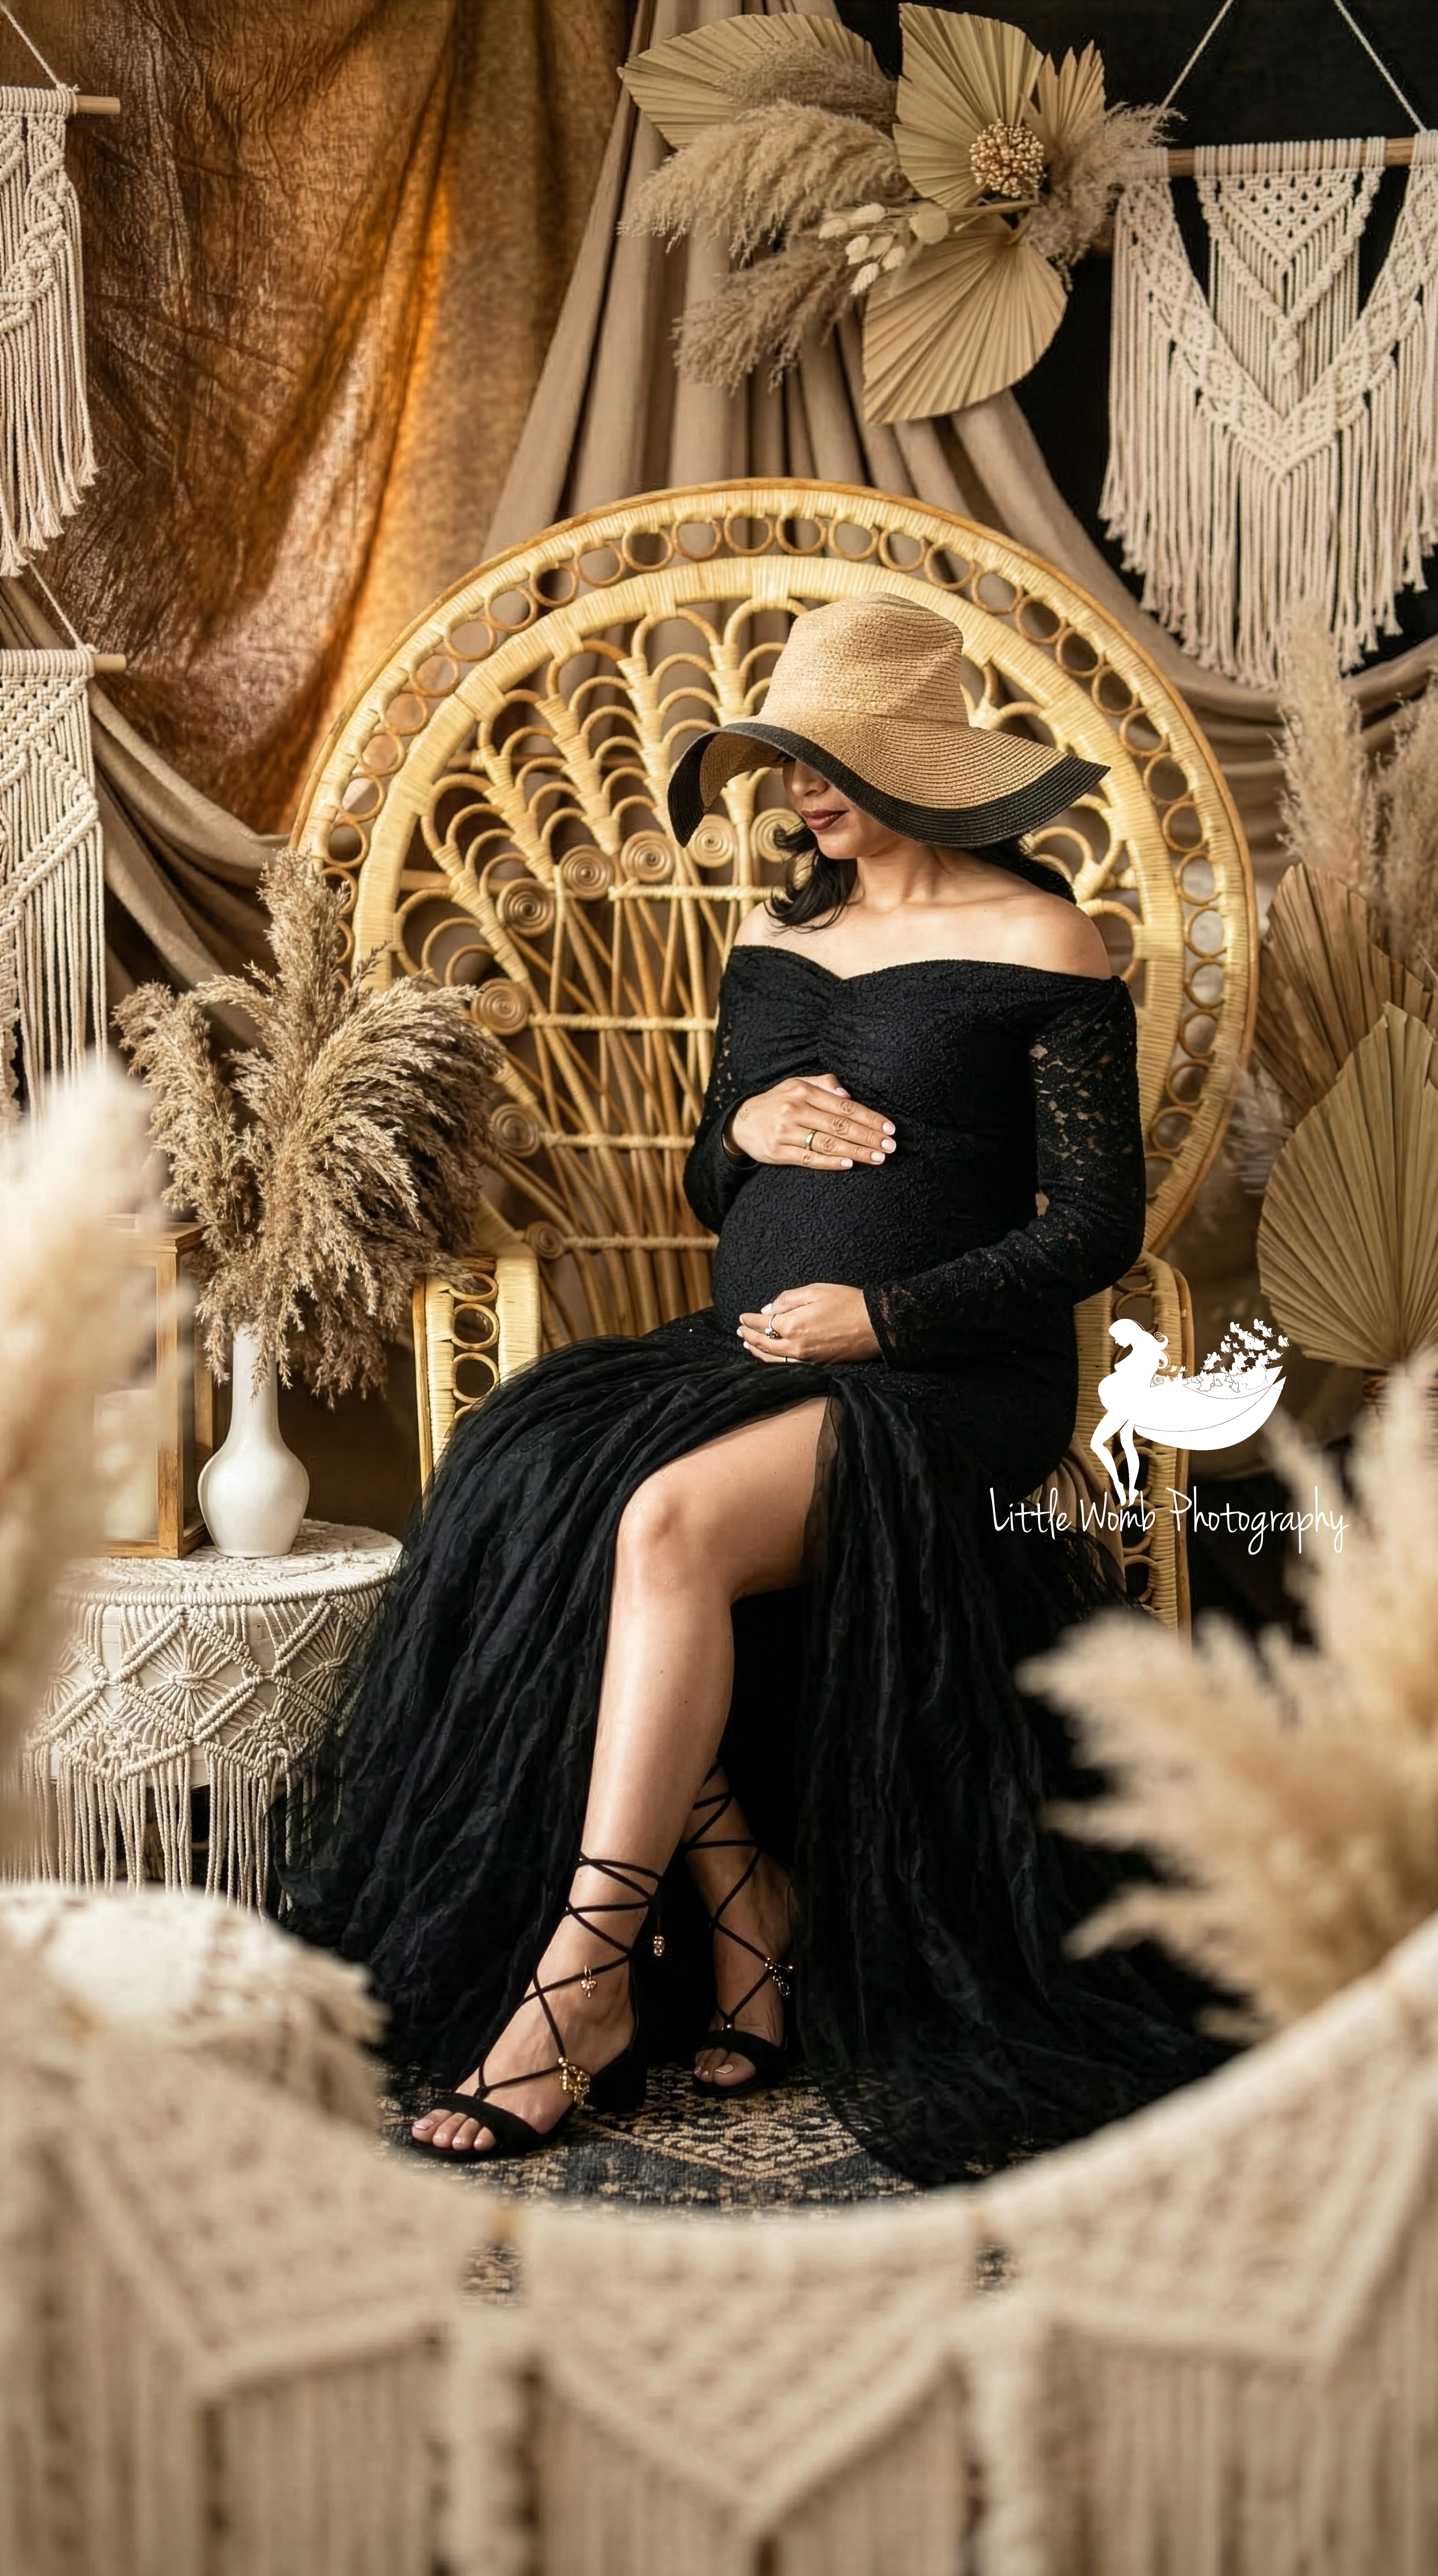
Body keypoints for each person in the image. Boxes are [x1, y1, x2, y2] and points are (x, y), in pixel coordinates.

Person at [287, 594, 1224, 2183]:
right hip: (746, 1357)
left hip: (945, 1382)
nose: (796, 784)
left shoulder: (1043, 944)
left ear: (921, 762)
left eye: (827, 756)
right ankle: (751, 1924)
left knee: (661, 1523)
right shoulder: (775, 940)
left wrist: (888, 1313)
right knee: (542, 1480)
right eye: (781, 758)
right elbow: (713, 1178)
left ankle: (583, 1980)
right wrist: (753, 1133)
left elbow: (1095, 1229)